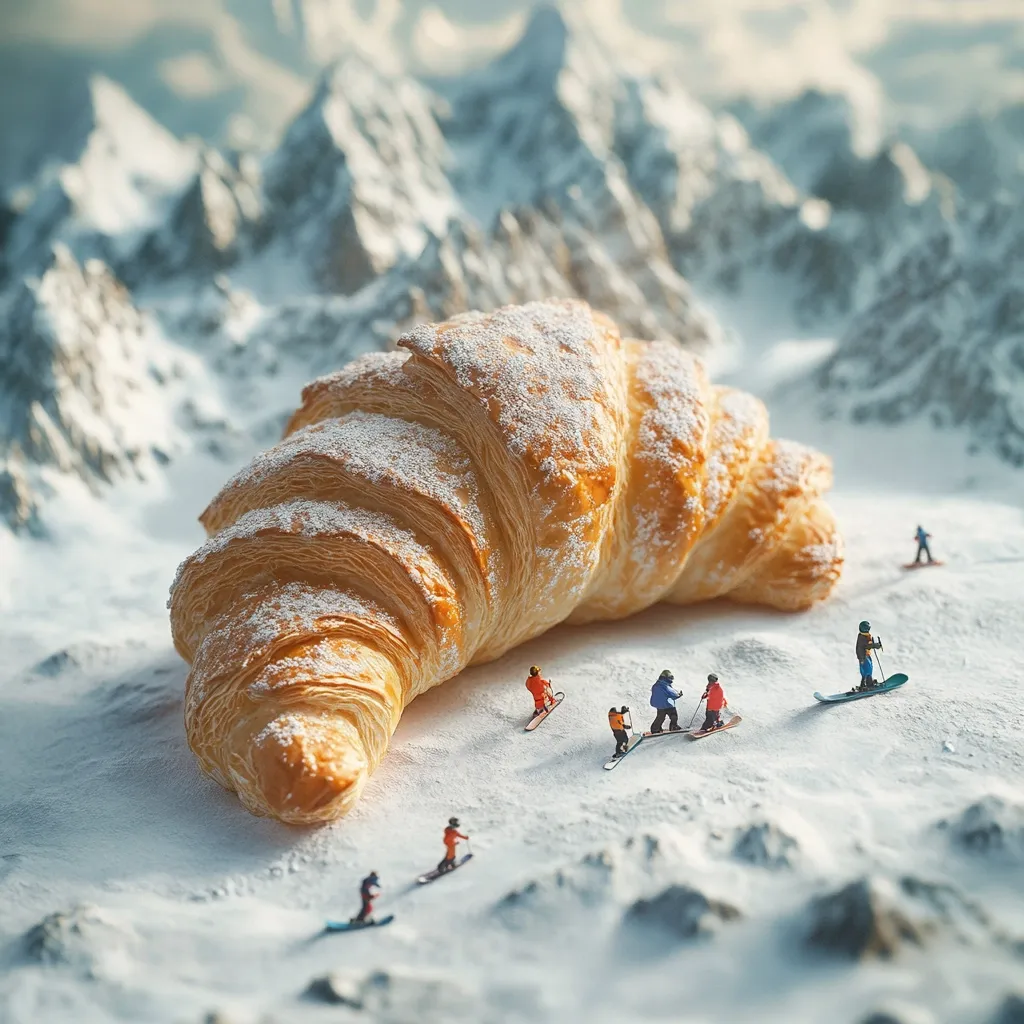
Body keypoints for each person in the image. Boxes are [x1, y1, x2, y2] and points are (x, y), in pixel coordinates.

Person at [856, 621, 882, 689]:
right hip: (863, 656)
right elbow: (867, 645)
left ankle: (865, 683)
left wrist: (874, 644)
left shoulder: (863, 636)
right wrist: (875, 645)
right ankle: (868, 684)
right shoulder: (863, 638)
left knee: (868, 668)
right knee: (867, 669)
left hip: (865, 655)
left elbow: (868, 644)